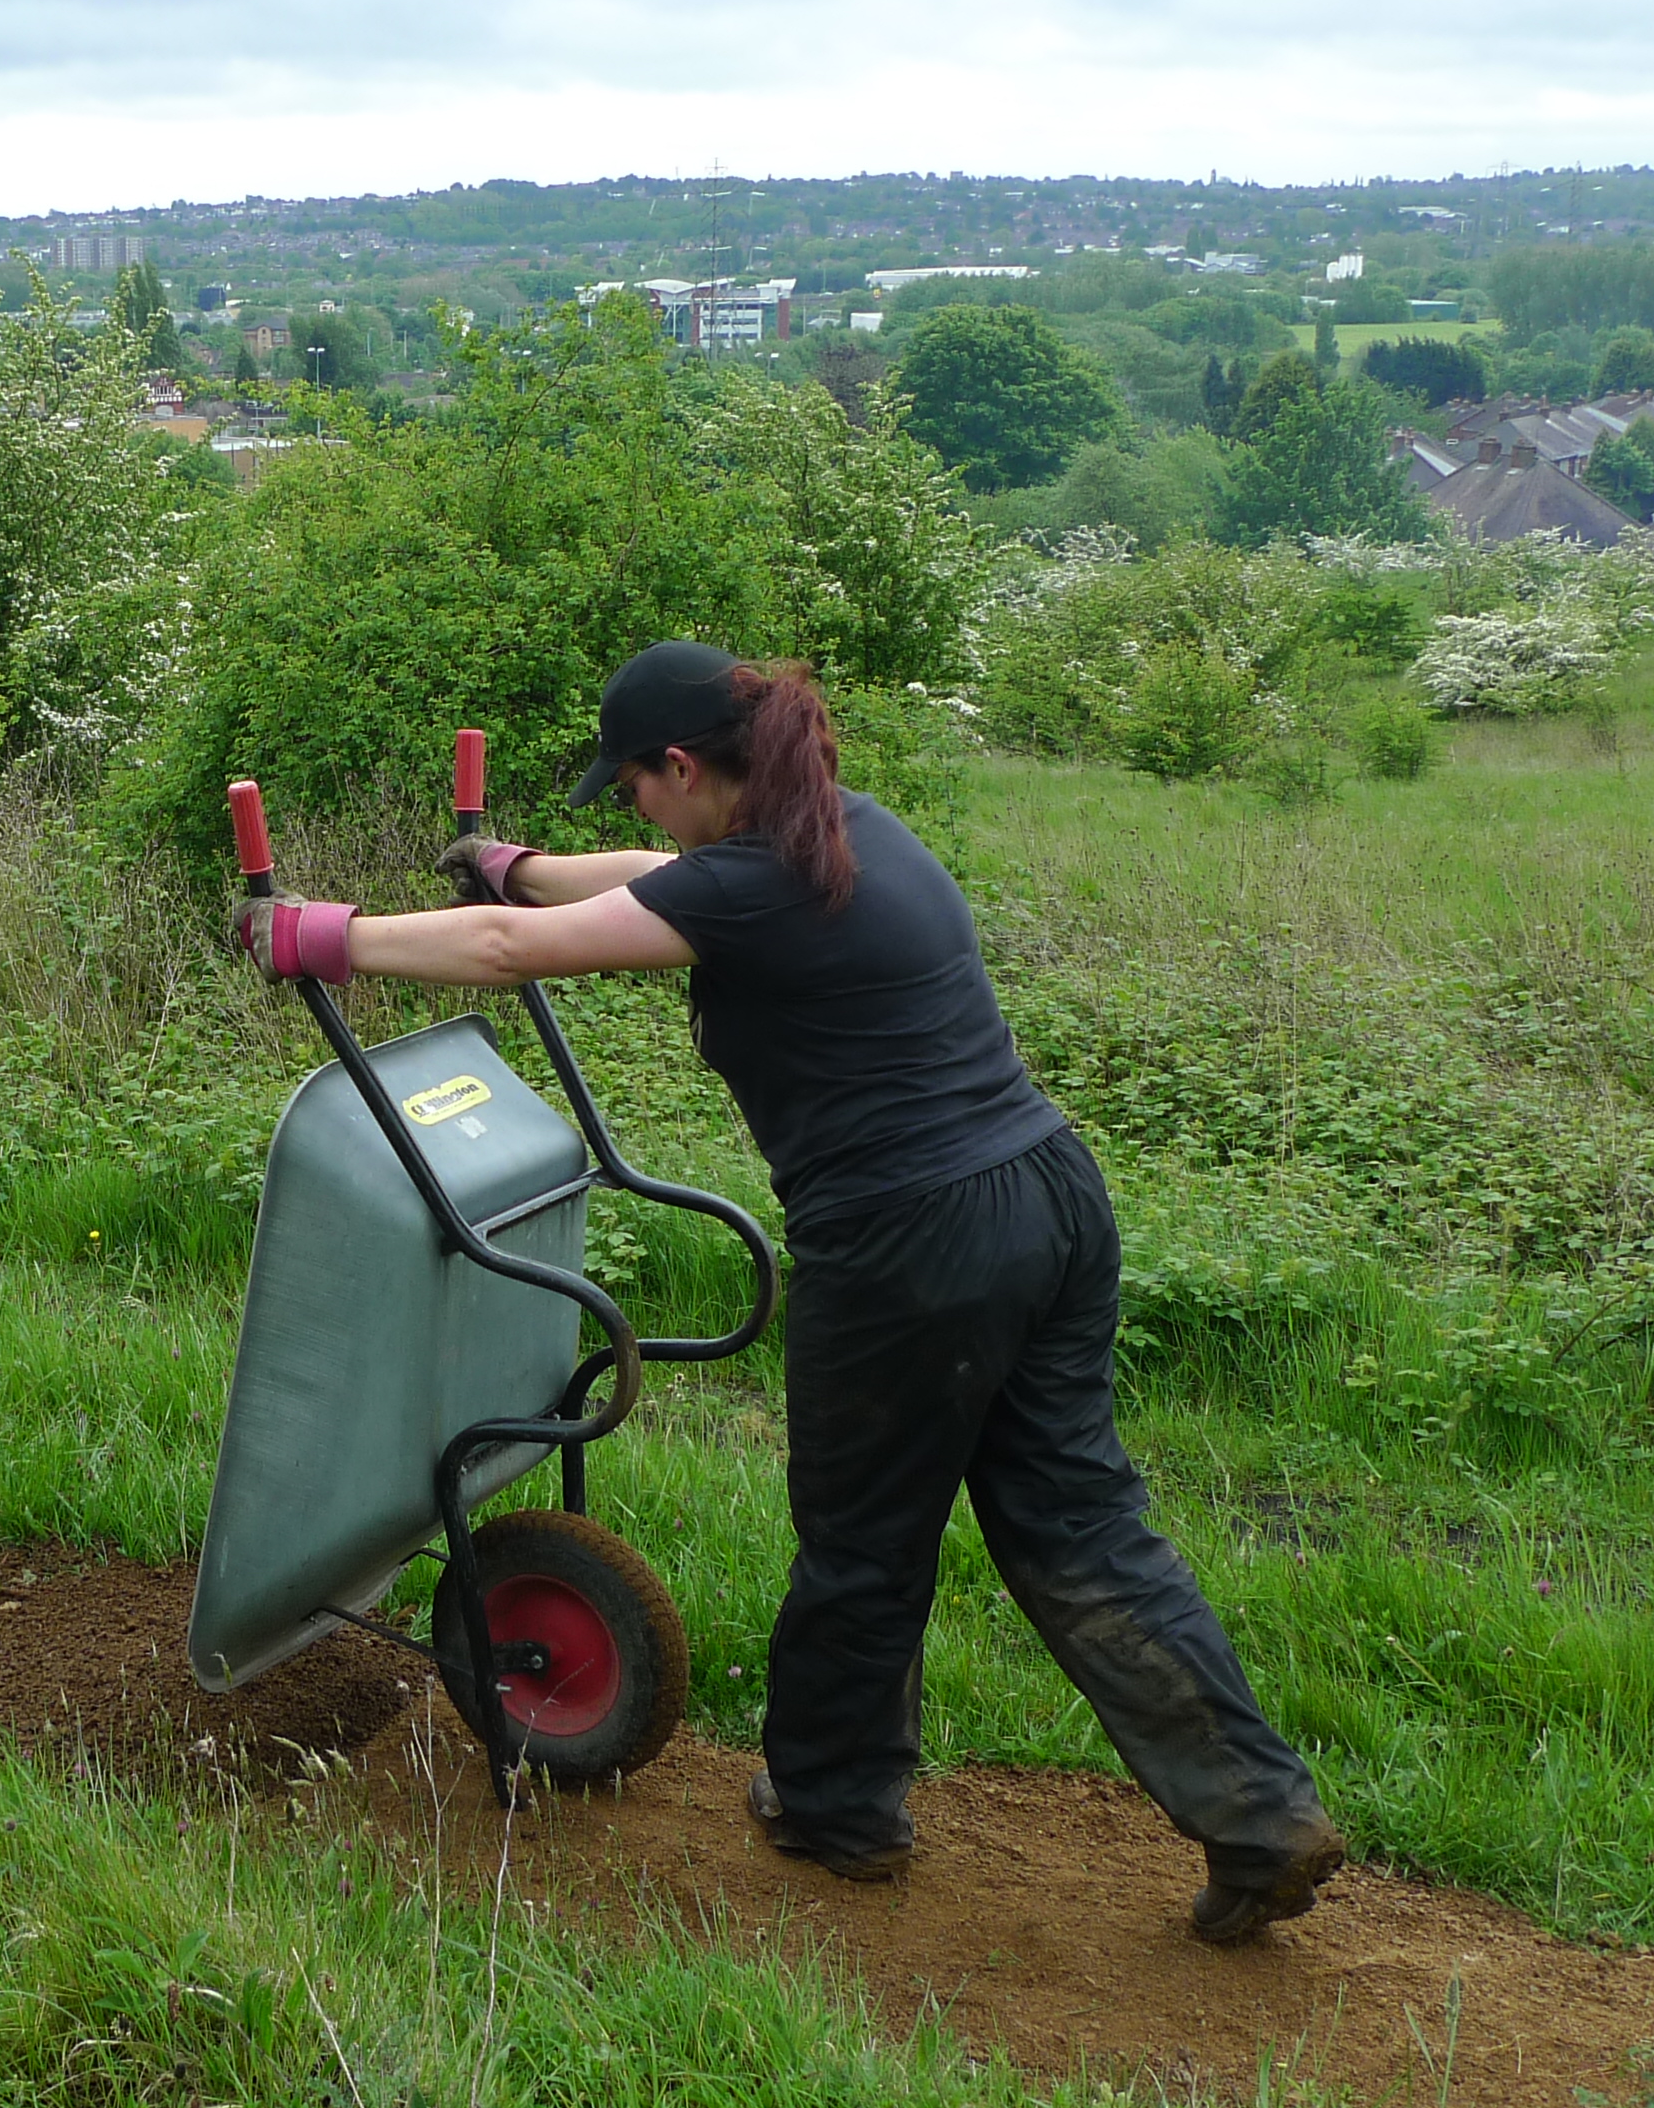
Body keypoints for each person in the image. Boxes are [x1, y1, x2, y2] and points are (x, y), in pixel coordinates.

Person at [231, 639, 1343, 1943]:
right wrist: (518, 863)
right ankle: (1259, 1814)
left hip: (912, 1245)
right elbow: (643, 880)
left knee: (863, 1539)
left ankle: (835, 1809)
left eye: (635, 784)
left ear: (683, 764)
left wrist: (317, 936)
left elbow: (503, 949)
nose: (637, 810)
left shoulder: (751, 880)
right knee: (1081, 1526)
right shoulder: (843, 829)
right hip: (1045, 1196)